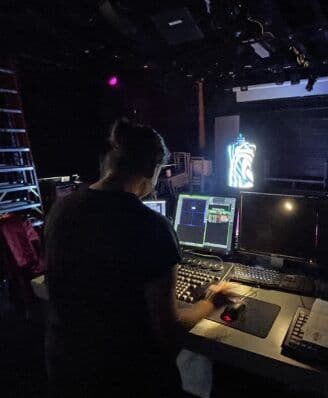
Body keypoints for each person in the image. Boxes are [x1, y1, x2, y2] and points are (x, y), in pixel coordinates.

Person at [44, 118, 235, 397]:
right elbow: (169, 333)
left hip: (65, 368)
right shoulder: (151, 226)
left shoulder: (61, 209)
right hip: (124, 379)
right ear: (151, 169)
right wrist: (211, 301)